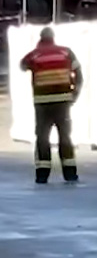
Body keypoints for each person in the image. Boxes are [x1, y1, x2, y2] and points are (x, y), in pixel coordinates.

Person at [20, 27, 82, 184]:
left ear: (41, 39)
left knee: (42, 137)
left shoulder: (35, 54)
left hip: (42, 103)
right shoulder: (66, 52)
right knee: (65, 136)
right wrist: (75, 93)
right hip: (63, 102)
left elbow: (22, 65)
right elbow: (78, 73)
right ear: (53, 38)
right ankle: (70, 174)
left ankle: (42, 175)